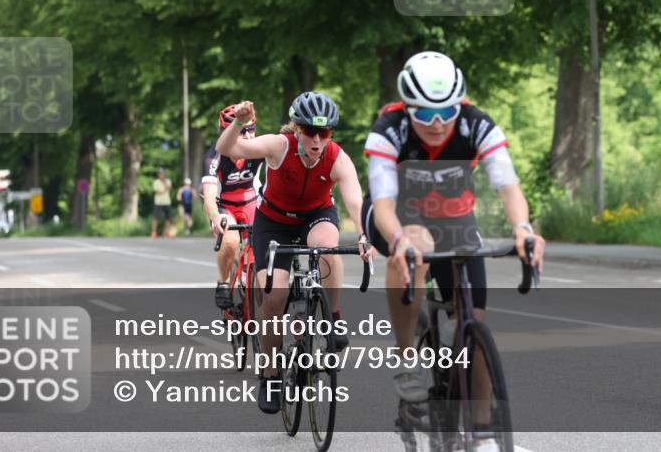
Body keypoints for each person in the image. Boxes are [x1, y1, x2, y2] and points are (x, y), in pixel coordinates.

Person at [361, 51, 545, 402]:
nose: (437, 123)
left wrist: (522, 228)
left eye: (447, 112)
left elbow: (508, 187)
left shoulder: (476, 123)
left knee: (474, 325)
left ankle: (482, 431)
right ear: (407, 107)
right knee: (417, 244)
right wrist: (399, 239)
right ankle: (405, 359)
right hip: (396, 217)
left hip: (453, 217)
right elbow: (383, 203)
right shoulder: (389, 129)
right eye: (425, 114)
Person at [216, 92, 368, 415]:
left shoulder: (337, 158)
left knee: (328, 248)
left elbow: (355, 201)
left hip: (316, 215)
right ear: (297, 129)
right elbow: (227, 149)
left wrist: (365, 234)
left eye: (324, 133)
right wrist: (240, 123)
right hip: (273, 222)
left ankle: (334, 318)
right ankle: (270, 376)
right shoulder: (279, 146)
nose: (316, 140)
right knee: (274, 294)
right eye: (310, 131)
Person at [203, 104, 264, 312]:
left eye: (252, 129)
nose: (248, 136)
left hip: (251, 203)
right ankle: (223, 282)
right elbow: (209, 197)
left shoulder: (259, 149)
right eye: (242, 131)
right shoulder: (214, 156)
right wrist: (214, 216)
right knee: (230, 239)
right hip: (224, 206)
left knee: (264, 243)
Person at [151, 168, 173, 238]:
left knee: (168, 218)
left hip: (167, 202)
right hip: (158, 202)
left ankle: (167, 232)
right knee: (156, 218)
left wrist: (164, 183)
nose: (162, 175)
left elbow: (169, 188)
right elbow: (158, 192)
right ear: (158, 175)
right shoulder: (156, 182)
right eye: (160, 174)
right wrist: (164, 189)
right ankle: (154, 232)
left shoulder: (168, 181)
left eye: (163, 174)